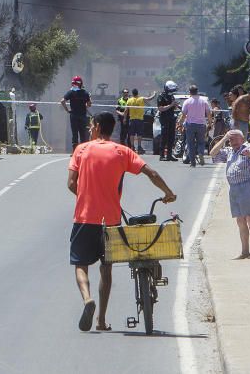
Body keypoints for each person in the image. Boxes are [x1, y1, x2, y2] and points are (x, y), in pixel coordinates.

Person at [68, 111, 177, 332]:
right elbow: (151, 173)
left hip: (84, 218)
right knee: (106, 269)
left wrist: (86, 195)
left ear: (97, 126)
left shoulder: (82, 149)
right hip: (111, 221)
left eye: (91, 125)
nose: (90, 128)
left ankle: (87, 299)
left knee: (81, 265)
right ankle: (100, 320)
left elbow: (71, 183)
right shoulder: (122, 151)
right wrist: (168, 193)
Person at [210, 129, 250, 259]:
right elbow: (213, 153)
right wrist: (223, 139)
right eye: (230, 139)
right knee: (240, 220)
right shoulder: (229, 151)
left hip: (247, 185)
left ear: (241, 138)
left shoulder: (249, 146)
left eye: (233, 138)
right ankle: (245, 251)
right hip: (234, 188)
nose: (231, 141)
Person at [179, 85, 211, 167]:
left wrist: (180, 123)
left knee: (190, 143)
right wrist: (210, 123)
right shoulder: (204, 101)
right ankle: (200, 153)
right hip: (201, 124)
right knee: (201, 142)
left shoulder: (187, 101)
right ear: (197, 91)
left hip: (190, 125)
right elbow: (208, 113)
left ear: (190, 92)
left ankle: (193, 162)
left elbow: (183, 115)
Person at [61, 76, 92, 149]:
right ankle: (83, 151)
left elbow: (62, 101)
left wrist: (67, 110)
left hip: (73, 116)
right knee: (83, 134)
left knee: (74, 133)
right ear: (81, 84)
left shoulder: (70, 92)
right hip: (83, 116)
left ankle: (75, 151)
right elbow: (89, 104)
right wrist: (85, 106)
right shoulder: (85, 93)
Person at [157, 81, 180, 161]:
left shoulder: (171, 96)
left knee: (172, 137)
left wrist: (176, 105)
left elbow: (174, 107)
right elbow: (160, 108)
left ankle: (169, 155)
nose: (172, 92)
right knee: (164, 137)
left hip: (171, 118)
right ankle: (162, 155)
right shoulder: (161, 96)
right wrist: (171, 105)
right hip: (164, 118)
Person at [125, 88, 147, 153]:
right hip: (139, 119)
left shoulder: (129, 100)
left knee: (132, 134)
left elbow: (126, 110)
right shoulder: (141, 99)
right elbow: (149, 98)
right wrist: (154, 94)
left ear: (132, 93)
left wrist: (124, 118)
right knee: (139, 134)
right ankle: (139, 147)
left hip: (132, 119)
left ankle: (132, 146)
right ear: (137, 93)